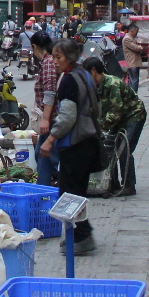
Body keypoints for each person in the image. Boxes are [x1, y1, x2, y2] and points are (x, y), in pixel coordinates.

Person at [41, 38, 100, 254]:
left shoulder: (68, 80)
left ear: (70, 58)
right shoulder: (83, 73)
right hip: (88, 141)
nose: (54, 61)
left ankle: (82, 236)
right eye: (54, 57)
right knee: (76, 191)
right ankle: (75, 235)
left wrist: (50, 140)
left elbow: (66, 117)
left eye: (58, 57)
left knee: (69, 193)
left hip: (76, 145)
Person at [82, 56, 146, 196]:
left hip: (133, 116)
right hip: (117, 119)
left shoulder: (113, 84)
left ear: (93, 71)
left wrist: (98, 128)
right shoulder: (94, 86)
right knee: (108, 150)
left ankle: (129, 185)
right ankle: (112, 183)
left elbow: (115, 112)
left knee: (124, 149)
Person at [30, 31, 58, 186]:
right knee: (42, 154)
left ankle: (43, 191)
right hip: (50, 118)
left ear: (34, 46)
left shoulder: (48, 62)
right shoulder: (47, 62)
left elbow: (50, 92)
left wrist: (46, 119)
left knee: (44, 155)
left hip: (52, 118)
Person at [121, 23, 148, 92]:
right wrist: (140, 46)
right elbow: (136, 48)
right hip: (132, 62)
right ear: (132, 31)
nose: (137, 33)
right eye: (136, 32)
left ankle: (132, 94)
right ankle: (133, 95)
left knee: (134, 80)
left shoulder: (131, 38)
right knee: (134, 80)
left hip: (134, 62)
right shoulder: (127, 39)